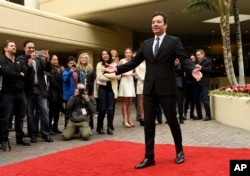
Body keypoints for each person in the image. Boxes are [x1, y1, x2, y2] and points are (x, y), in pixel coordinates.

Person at [103, 11, 202, 169]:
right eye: (153, 22)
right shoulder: (147, 44)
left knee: (172, 121)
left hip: (167, 88)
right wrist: (116, 69)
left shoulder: (174, 41)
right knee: (148, 123)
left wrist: (192, 70)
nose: (155, 24)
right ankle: (149, 157)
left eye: (158, 22)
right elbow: (134, 62)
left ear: (165, 25)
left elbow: (184, 59)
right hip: (149, 89)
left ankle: (180, 151)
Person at [19, 40, 53, 143]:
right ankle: (32, 134)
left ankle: (46, 134)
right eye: (29, 48)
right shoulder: (20, 59)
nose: (32, 49)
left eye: (33, 48)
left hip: (40, 88)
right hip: (28, 90)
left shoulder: (39, 59)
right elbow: (23, 74)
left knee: (44, 112)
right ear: (24, 48)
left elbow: (48, 70)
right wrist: (29, 63)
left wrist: (47, 60)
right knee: (30, 114)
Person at [0, 40, 30, 148]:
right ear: (5, 48)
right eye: (12, 46)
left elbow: (25, 70)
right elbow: (6, 72)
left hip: (20, 93)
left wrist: (20, 74)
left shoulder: (18, 60)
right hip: (7, 93)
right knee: (6, 118)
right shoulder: (2, 60)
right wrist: (19, 74)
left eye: (15, 45)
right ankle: (3, 140)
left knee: (20, 116)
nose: (14, 47)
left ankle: (20, 137)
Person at [94, 49, 120, 135]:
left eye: (106, 54)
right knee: (102, 108)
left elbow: (118, 76)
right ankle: (99, 127)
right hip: (102, 88)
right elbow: (99, 77)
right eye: (103, 54)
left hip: (111, 89)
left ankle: (109, 127)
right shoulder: (99, 64)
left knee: (110, 108)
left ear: (109, 55)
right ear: (101, 56)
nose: (105, 55)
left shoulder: (114, 64)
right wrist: (112, 76)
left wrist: (105, 73)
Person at [76, 52, 95, 129]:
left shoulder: (90, 69)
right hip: (79, 91)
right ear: (79, 59)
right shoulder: (77, 69)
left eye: (85, 58)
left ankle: (90, 125)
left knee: (88, 108)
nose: (84, 59)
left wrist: (92, 92)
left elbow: (92, 81)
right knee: (79, 107)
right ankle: (78, 126)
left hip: (88, 91)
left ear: (88, 59)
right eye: (82, 58)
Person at [118, 48, 136, 128]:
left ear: (131, 54)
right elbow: (119, 73)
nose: (128, 54)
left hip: (131, 82)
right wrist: (130, 75)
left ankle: (129, 119)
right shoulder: (122, 61)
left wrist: (133, 75)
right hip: (124, 81)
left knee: (130, 101)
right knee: (125, 101)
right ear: (125, 54)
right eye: (126, 52)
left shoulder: (133, 61)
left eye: (129, 52)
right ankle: (124, 120)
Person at [193, 49, 212, 121]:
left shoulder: (208, 61)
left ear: (203, 54)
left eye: (198, 55)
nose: (197, 56)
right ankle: (199, 115)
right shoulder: (196, 62)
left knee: (205, 99)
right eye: (196, 55)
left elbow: (209, 70)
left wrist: (201, 68)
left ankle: (208, 115)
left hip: (204, 83)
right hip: (196, 82)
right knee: (196, 99)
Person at [62, 56, 80, 127]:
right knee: (68, 112)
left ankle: (76, 128)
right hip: (68, 96)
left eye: (73, 63)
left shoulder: (78, 72)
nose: (72, 64)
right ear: (67, 64)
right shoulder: (66, 71)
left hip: (77, 95)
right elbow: (65, 79)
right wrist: (70, 72)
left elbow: (80, 82)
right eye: (70, 63)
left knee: (76, 111)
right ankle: (67, 127)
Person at [48, 54, 63, 133]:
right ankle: (49, 128)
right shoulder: (49, 69)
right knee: (51, 112)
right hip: (53, 94)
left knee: (57, 112)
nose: (56, 61)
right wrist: (61, 89)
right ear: (50, 61)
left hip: (59, 95)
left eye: (56, 59)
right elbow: (53, 82)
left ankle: (55, 127)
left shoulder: (60, 69)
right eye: (54, 59)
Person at [183, 54, 197, 119]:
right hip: (187, 85)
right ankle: (185, 114)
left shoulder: (196, 66)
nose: (192, 60)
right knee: (187, 100)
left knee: (193, 100)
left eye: (193, 58)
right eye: (191, 59)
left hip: (194, 84)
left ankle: (192, 114)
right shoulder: (186, 66)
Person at [135, 60, 146, 126]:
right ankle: (141, 117)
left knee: (148, 101)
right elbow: (137, 72)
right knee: (141, 101)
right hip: (141, 82)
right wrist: (143, 79)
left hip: (149, 82)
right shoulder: (138, 62)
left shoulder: (148, 61)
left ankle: (147, 117)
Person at [174, 58, 185, 124]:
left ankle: (181, 117)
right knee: (172, 103)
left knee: (180, 103)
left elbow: (181, 72)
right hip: (171, 86)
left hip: (179, 86)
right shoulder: (171, 65)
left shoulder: (182, 65)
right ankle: (173, 117)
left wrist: (176, 71)